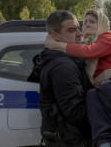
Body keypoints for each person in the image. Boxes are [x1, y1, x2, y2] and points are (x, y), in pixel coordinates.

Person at [46, 9, 111, 147]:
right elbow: (82, 54)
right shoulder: (88, 43)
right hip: (101, 89)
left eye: (92, 21)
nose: (87, 24)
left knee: (106, 87)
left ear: (102, 23)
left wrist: (56, 45)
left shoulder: (107, 37)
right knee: (91, 95)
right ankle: (103, 143)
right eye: (85, 22)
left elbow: (89, 52)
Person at [35, 10, 92, 147]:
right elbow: (75, 114)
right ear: (55, 35)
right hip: (70, 140)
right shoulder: (63, 66)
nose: (79, 34)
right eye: (72, 30)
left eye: (78, 29)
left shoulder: (56, 58)